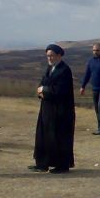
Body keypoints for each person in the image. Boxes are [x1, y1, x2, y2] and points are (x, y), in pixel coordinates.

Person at [30, 44, 75, 174]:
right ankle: (42, 163)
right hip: (47, 108)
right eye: (48, 56)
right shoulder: (50, 68)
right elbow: (42, 83)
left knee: (59, 137)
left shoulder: (64, 70)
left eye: (52, 56)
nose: (49, 58)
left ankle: (61, 165)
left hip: (61, 110)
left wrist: (44, 90)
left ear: (59, 55)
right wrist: (41, 91)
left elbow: (60, 90)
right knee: (44, 136)